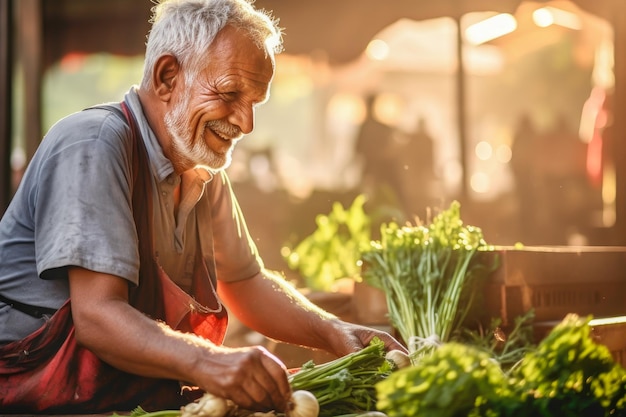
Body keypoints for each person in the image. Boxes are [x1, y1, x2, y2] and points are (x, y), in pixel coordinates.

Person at [0, 0, 406, 414]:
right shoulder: (94, 144)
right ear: (167, 77)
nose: (246, 123)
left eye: (255, 103)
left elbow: (245, 279)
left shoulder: (200, 170)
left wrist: (335, 331)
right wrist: (211, 361)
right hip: (33, 397)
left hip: (116, 397)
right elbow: (98, 318)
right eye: (230, 93)